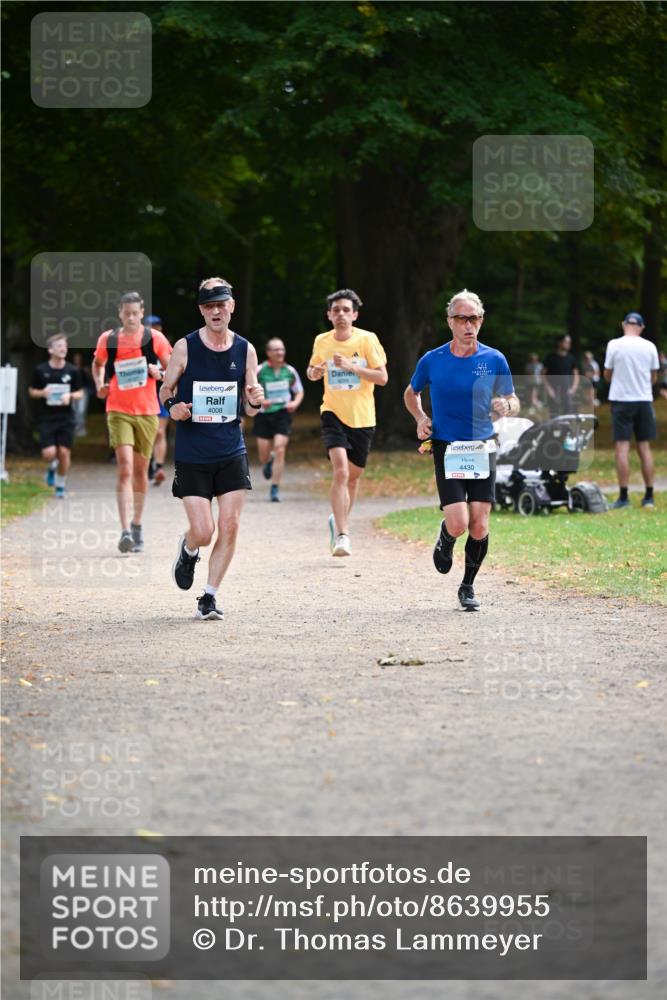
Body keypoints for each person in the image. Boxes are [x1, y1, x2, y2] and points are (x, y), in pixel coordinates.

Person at [404, 288, 519, 611]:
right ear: (450, 321)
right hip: (447, 446)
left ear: (481, 321)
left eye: (475, 318)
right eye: (462, 318)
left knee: (480, 524)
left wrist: (506, 405)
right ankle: (446, 536)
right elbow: (411, 393)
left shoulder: (494, 359)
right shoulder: (433, 359)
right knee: (458, 522)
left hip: (482, 446)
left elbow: (512, 398)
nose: (469, 325)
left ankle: (467, 586)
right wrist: (421, 417)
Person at [160, 277, 264, 621]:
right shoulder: (185, 347)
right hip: (193, 452)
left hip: (231, 448)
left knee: (230, 525)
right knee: (204, 531)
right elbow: (165, 390)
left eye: (221, 304)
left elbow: (249, 406)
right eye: (209, 306)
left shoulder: (245, 349)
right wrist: (173, 406)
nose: (216, 311)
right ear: (201, 310)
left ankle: (209, 596)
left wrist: (255, 401)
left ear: (231, 306)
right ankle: (189, 549)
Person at [307, 288, 387, 556]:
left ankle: (337, 519)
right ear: (329, 315)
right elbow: (311, 371)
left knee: (353, 479)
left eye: (345, 310)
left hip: (363, 417)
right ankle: (343, 534)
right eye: (336, 310)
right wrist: (315, 372)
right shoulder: (322, 341)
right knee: (340, 471)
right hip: (333, 412)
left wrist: (352, 367)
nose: (341, 314)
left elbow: (382, 377)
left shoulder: (367, 340)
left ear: (354, 314)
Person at [92, 292, 172, 552]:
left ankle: (137, 525)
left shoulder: (154, 338)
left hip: (148, 411)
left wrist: (158, 373)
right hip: (117, 408)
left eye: (135, 313)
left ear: (141, 312)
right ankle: (125, 530)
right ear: (119, 312)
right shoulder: (109, 338)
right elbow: (97, 364)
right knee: (125, 468)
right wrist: (99, 384)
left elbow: (173, 369)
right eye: (126, 313)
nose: (130, 317)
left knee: (140, 471)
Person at [604, 311, 660, 509]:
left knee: (622, 447)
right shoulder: (650, 347)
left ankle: (623, 497)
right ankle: (649, 496)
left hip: (621, 400)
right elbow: (653, 377)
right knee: (644, 447)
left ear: (623, 324)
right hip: (644, 400)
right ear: (642, 327)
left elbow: (608, 374)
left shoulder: (614, 345)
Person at [29, 334, 84, 498]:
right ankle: (52, 466)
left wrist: (71, 397)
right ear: (50, 349)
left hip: (66, 417)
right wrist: (42, 393)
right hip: (47, 417)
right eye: (59, 346)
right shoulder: (40, 370)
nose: (63, 349)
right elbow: (31, 391)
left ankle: (60, 485)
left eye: (65, 346)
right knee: (49, 453)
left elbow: (80, 392)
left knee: (64, 453)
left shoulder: (72, 370)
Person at [253, 338, 304, 502]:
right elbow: (248, 390)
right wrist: (260, 401)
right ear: (268, 353)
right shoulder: (259, 370)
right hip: (263, 414)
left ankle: (275, 488)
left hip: (283, 413)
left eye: (281, 349)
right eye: (276, 350)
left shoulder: (289, 371)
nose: (280, 352)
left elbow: (299, 391)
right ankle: (268, 462)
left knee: (280, 448)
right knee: (263, 453)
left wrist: (295, 403)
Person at [145, 315, 170, 486]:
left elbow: (176, 370)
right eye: (149, 326)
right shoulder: (137, 346)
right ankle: (147, 466)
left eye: (156, 326)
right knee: (148, 432)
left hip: (161, 393)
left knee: (160, 432)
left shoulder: (166, 346)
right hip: (144, 394)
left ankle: (158, 467)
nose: (153, 329)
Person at [543, 334, 580, 417]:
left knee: (568, 414)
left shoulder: (571, 358)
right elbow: (543, 374)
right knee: (553, 414)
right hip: (553, 391)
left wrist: (573, 388)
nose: (568, 344)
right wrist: (548, 388)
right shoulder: (550, 358)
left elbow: (576, 374)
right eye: (566, 342)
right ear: (559, 343)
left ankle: (566, 430)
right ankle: (554, 429)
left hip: (567, 391)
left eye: (569, 342)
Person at [70, 351, 95, 436]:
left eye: (79, 358)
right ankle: (76, 428)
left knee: (81, 410)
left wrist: (88, 373)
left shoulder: (85, 369)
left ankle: (81, 429)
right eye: (76, 359)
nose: (77, 360)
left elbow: (91, 381)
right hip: (73, 392)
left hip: (84, 391)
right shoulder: (71, 369)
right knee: (74, 410)